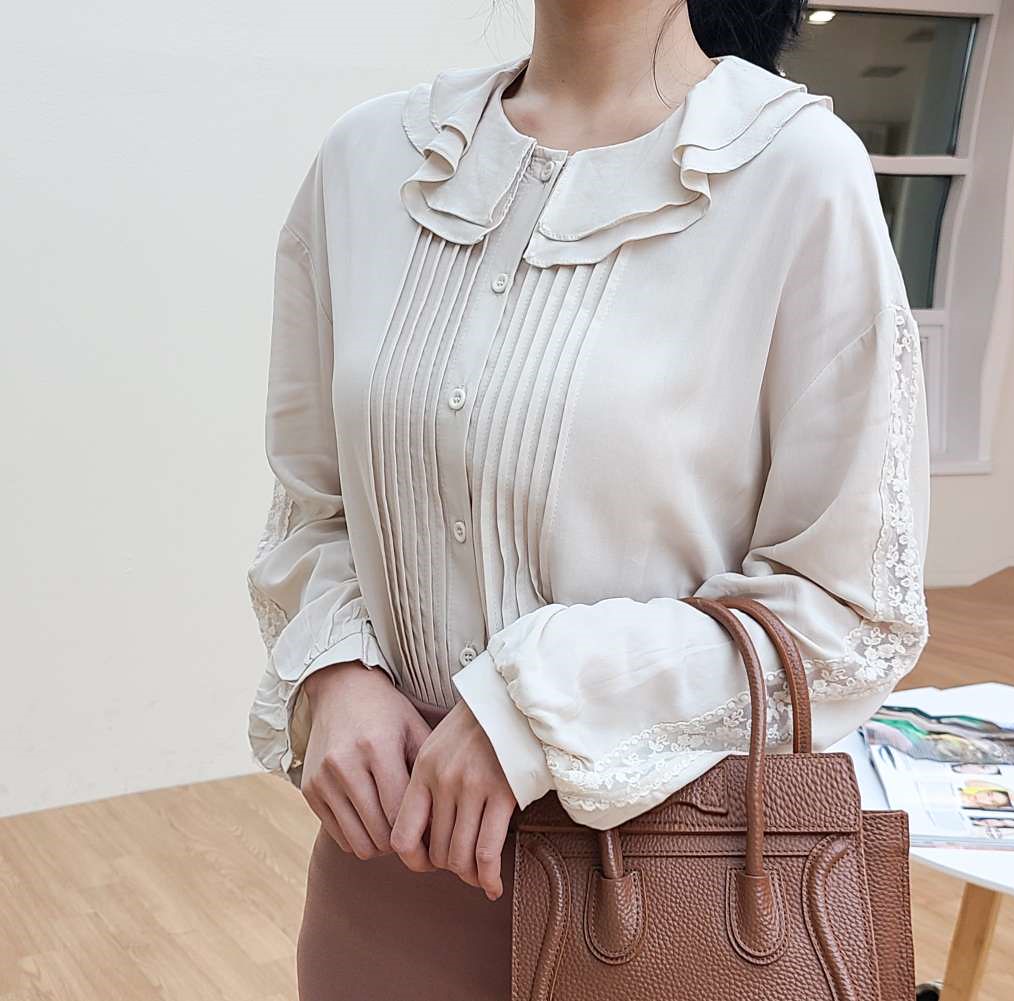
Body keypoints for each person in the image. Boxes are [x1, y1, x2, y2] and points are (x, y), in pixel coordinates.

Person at [244, 1, 932, 997]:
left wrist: (531, 705)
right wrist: (335, 669)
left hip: (673, 890)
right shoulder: (370, 159)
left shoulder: (793, 172)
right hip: (387, 865)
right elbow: (313, 503)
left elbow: (849, 610)